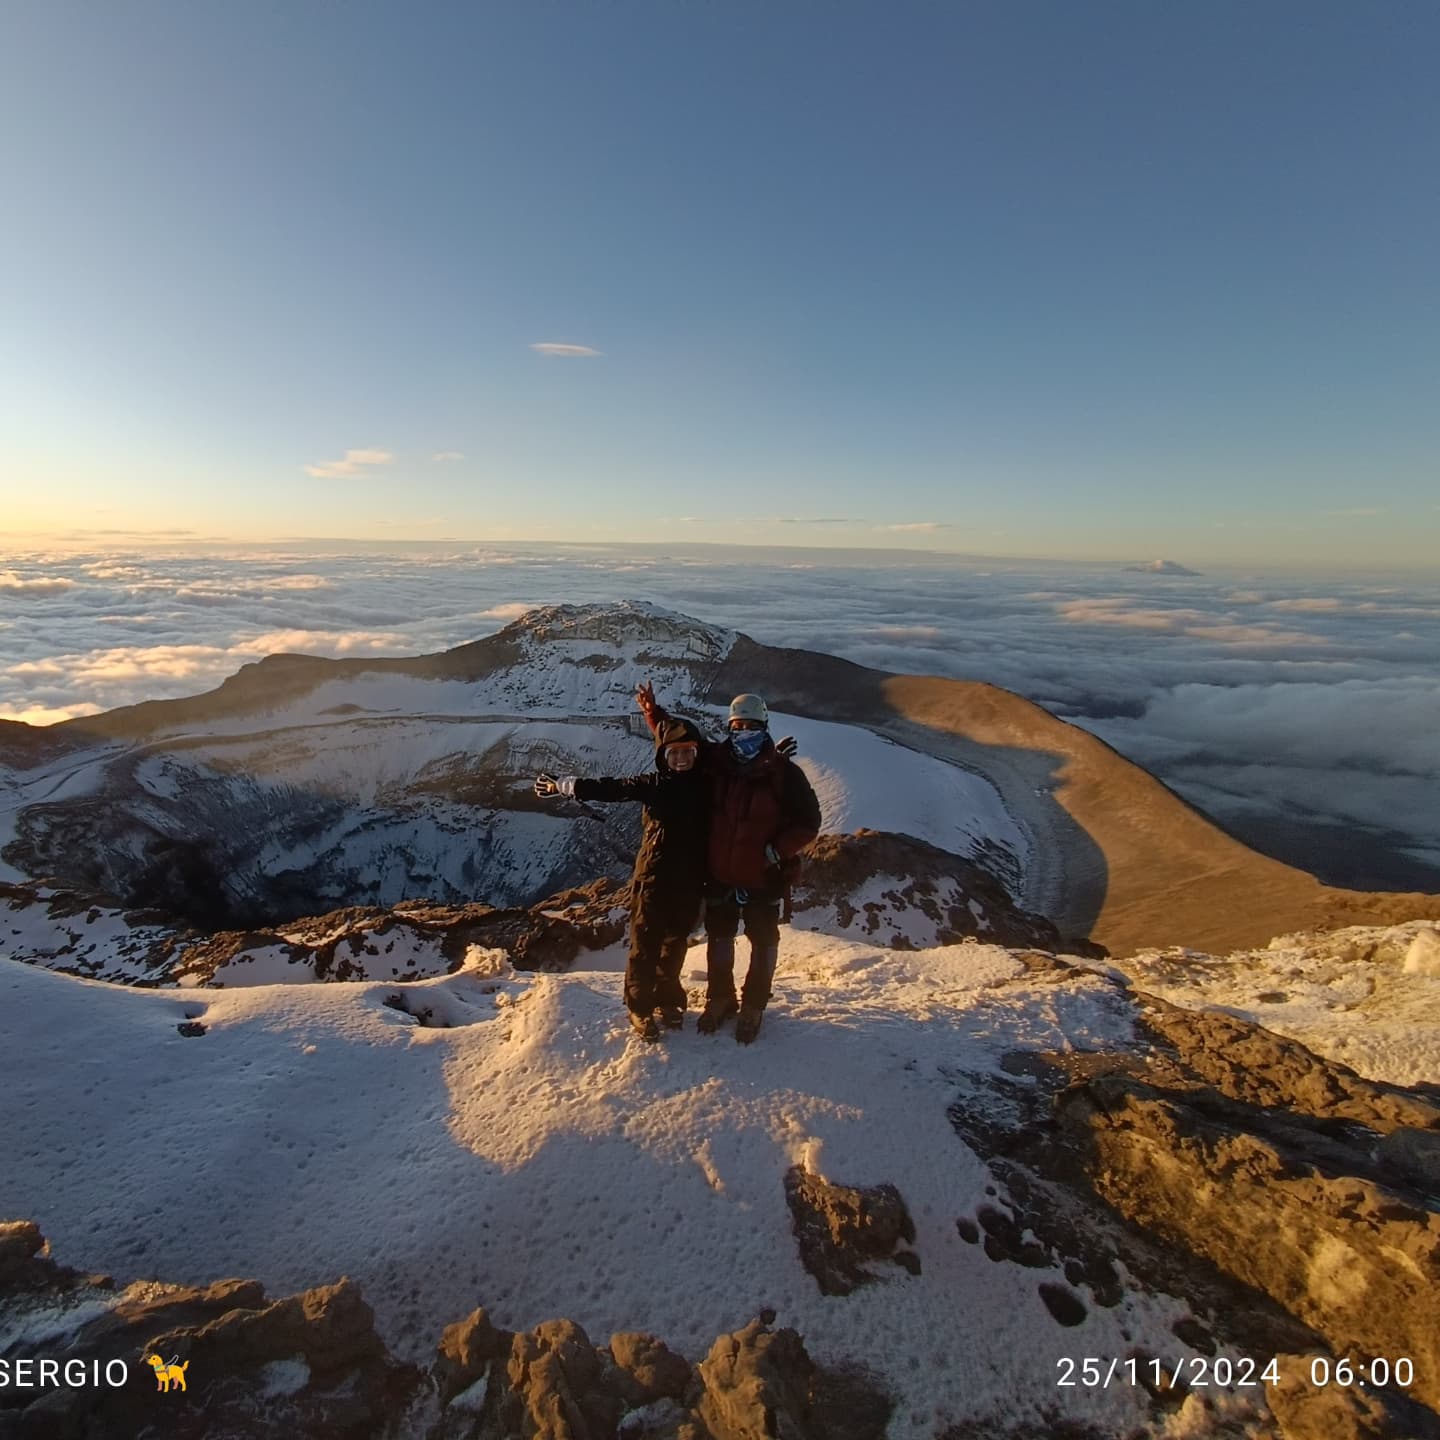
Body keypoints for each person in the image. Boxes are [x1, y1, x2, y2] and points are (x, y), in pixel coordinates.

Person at [637, 685, 822, 1044]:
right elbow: (678, 741)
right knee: (719, 939)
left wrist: (778, 850)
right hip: (721, 873)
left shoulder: (785, 774)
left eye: (750, 726)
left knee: (763, 941)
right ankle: (721, 999)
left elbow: (809, 821)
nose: (743, 733)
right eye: (736, 726)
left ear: (764, 726)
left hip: (764, 875)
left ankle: (754, 1006)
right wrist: (652, 713)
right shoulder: (717, 761)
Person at [535, 713, 708, 1042]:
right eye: (674, 754)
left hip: (690, 881)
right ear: (663, 757)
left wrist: (774, 763)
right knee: (646, 943)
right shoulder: (655, 786)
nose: (682, 759)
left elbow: (738, 772)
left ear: (697, 754)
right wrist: (564, 785)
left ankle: (669, 1000)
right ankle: (640, 1006)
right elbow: (611, 788)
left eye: (688, 752)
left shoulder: (708, 786)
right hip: (654, 878)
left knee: (675, 944)